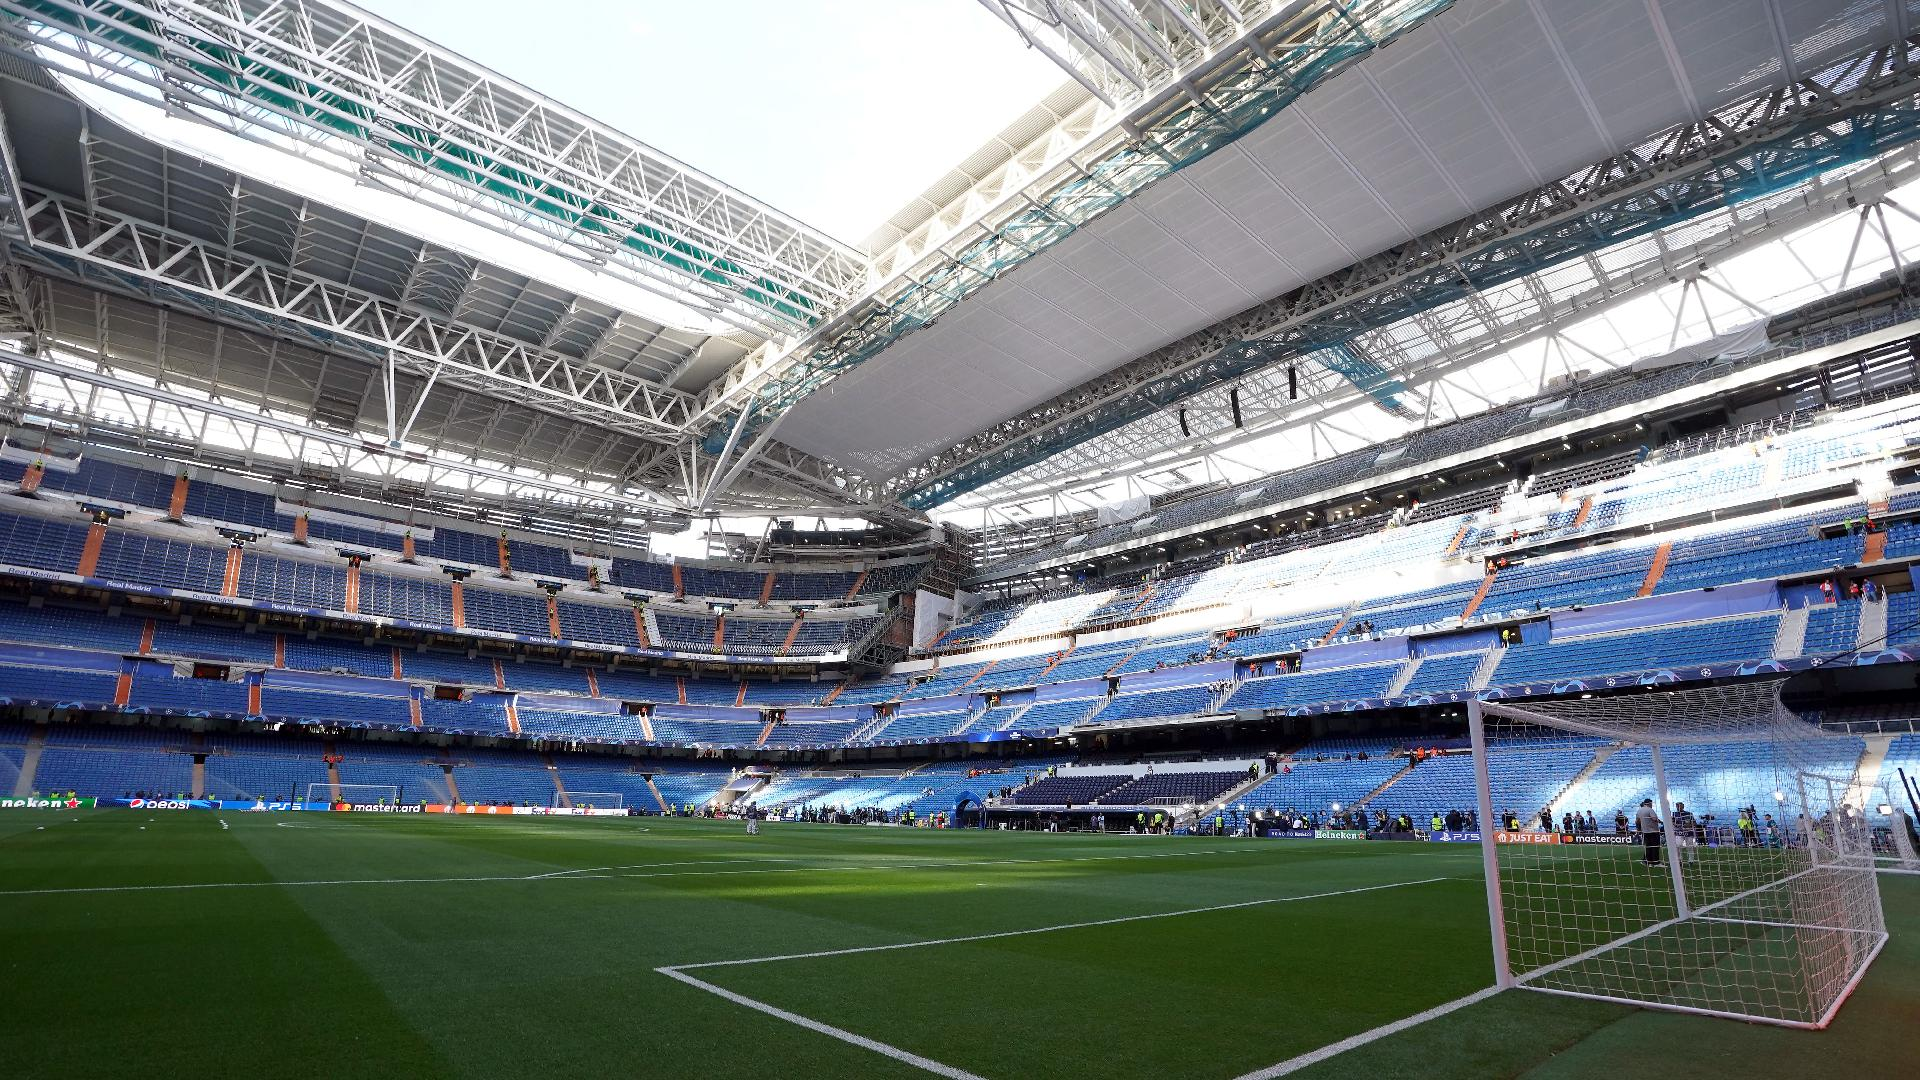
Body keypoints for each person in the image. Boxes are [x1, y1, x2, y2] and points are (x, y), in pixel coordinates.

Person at [1636, 798, 1663, 866]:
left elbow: (1637, 821)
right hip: (1653, 831)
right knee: (1655, 847)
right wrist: (1661, 822)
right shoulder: (1650, 810)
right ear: (1649, 803)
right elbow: (1654, 818)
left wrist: (1640, 828)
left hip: (1645, 831)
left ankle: (1647, 861)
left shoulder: (1639, 810)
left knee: (1648, 847)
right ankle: (1656, 862)